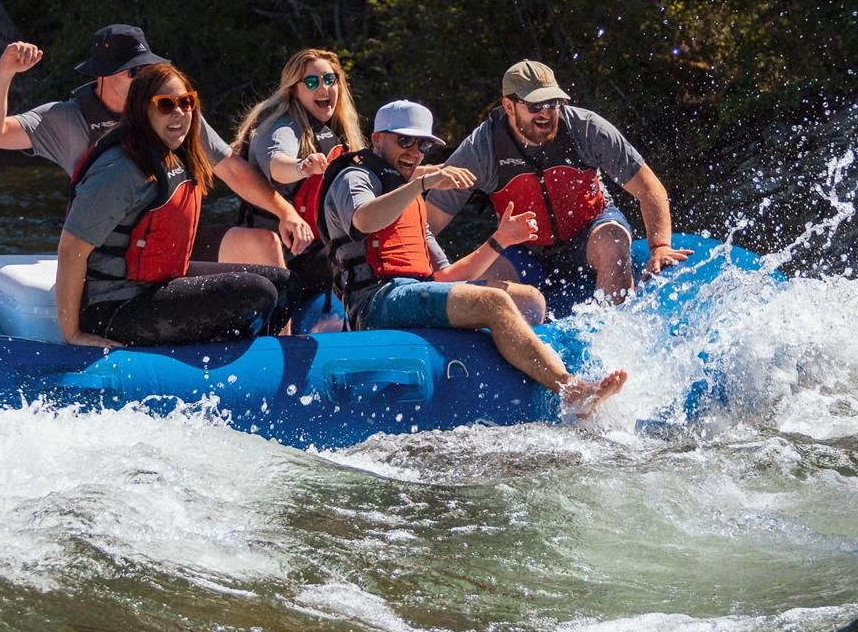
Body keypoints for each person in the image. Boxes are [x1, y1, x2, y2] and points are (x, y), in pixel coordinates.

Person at [321, 99, 626, 415]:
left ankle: (526, 379)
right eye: (405, 141)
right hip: (376, 302)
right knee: (493, 303)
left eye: (423, 144)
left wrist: (500, 240)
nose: (414, 152)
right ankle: (570, 389)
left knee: (530, 301)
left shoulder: (409, 202)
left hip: (410, 294)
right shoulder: (355, 177)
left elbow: (448, 276)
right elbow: (364, 220)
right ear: (377, 140)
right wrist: (422, 183)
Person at [0, 24, 313, 264]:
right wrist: (4, 73)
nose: (146, 80)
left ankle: (274, 352)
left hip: (168, 244)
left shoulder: (172, 111)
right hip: (111, 258)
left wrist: (285, 213)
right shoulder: (65, 119)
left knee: (263, 243)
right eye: (133, 73)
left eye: (147, 69)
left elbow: (233, 170)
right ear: (102, 75)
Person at [57, 65, 291, 347]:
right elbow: (71, 250)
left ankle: (253, 362)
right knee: (258, 291)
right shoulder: (119, 171)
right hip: (114, 307)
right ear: (143, 110)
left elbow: (233, 170)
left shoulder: (178, 154)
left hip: (157, 287)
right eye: (165, 105)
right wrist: (72, 334)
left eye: (186, 102)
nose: (179, 112)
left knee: (286, 284)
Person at [424, 60, 692, 303]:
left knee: (614, 241)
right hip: (525, 250)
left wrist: (660, 246)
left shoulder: (587, 129)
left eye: (553, 103)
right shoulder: (482, 149)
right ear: (508, 106)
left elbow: (648, 188)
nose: (545, 113)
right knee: (473, 288)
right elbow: (428, 222)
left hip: (590, 233)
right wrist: (421, 273)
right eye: (534, 105)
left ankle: (617, 333)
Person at [230, 48, 365, 321]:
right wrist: (303, 167)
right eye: (312, 82)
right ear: (294, 91)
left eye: (330, 79)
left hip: (313, 251)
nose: (323, 88)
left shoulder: (338, 133)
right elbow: (277, 164)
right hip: (280, 258)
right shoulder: (279, 127)